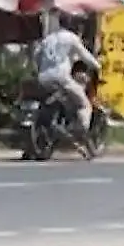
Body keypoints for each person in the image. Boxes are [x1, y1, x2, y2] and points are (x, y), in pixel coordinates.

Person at [34, 9, 102, 155]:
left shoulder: (48, 38)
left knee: (63, 99)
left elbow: (37, 55)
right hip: (61, 78)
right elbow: (85, 56)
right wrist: (97, 66)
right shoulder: (71, 38)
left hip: (43, 78)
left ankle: (59, 123)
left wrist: (41, 68)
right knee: (84, 104)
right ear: (73, 25)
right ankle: (79, 129)